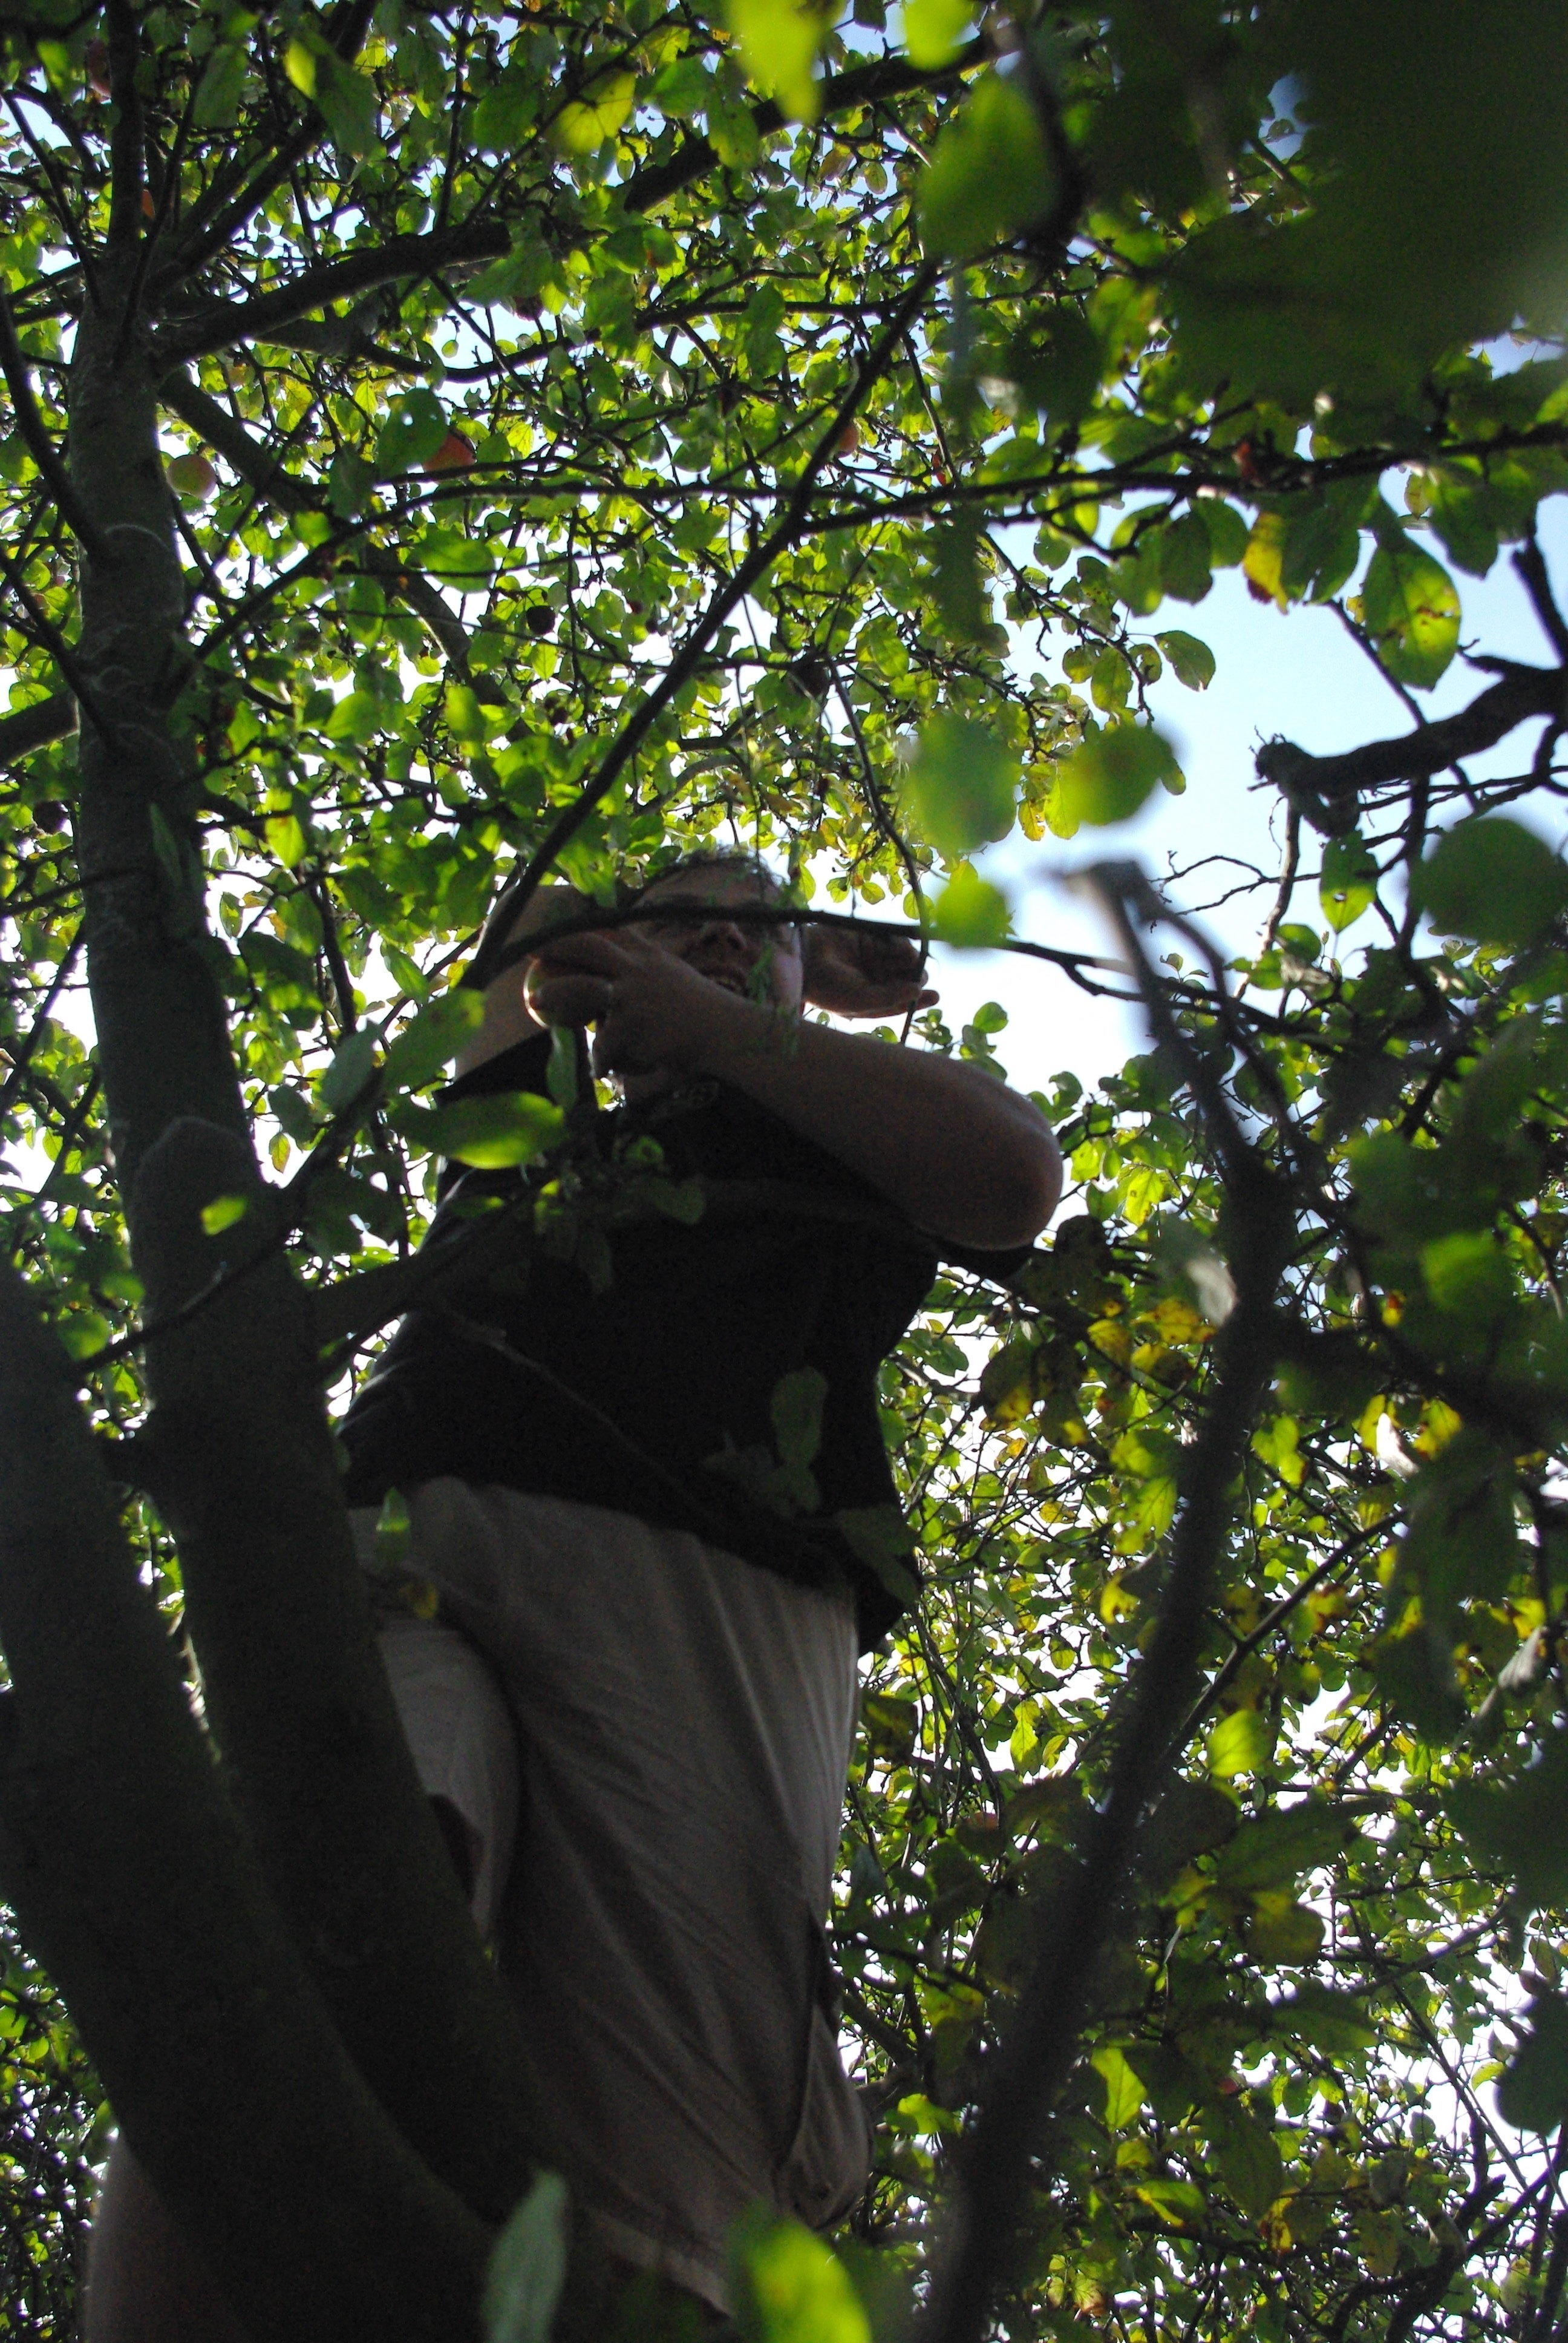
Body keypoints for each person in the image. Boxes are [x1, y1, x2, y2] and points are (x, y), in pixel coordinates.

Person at [83, 850, 1061, 2338]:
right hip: (409, 1532)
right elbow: (532, 938)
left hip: (703, 1594)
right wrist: (679, 959)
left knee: (660, 2184)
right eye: (682, 917)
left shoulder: (832, 1126)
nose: (721, 938)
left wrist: (755, 1009)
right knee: (286, 1956)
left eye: (761, 930)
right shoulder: (533, 1109)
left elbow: (1013, 1176)